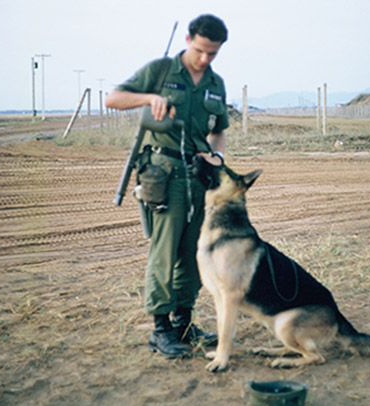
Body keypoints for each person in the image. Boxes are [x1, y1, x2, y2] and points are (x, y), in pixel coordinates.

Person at [105, 14, 229, 359]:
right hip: (165, 172)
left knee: (192, 251)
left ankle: (184, 324)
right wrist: (147, 98)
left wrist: (216, 156)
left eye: (213, 54)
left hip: (200, 176)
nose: (205, 59)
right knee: (165, 250)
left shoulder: (216, 84)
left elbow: (219, 129)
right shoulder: (160, 71)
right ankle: (161, 330)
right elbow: (112, 98)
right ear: (189, 38)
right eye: (201, 50)